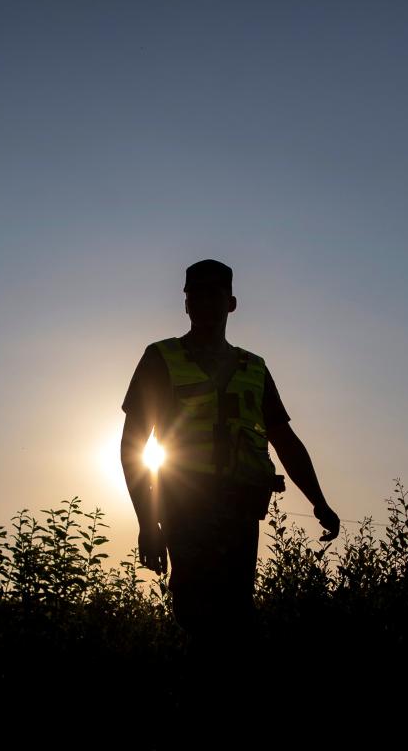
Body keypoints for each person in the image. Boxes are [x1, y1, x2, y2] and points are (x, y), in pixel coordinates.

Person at [120, 259, 341, 658]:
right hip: (184, 509)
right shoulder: (160, 358)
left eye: (214, 294)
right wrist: (146, 521)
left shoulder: (253, 368)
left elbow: (285, 439)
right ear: (185, 304)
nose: (204, 301)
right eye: (195, 294)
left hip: (240, 512)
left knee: (236, 619)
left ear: (231, 302)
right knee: (198, 620)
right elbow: (133, 447)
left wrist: (319, 501)